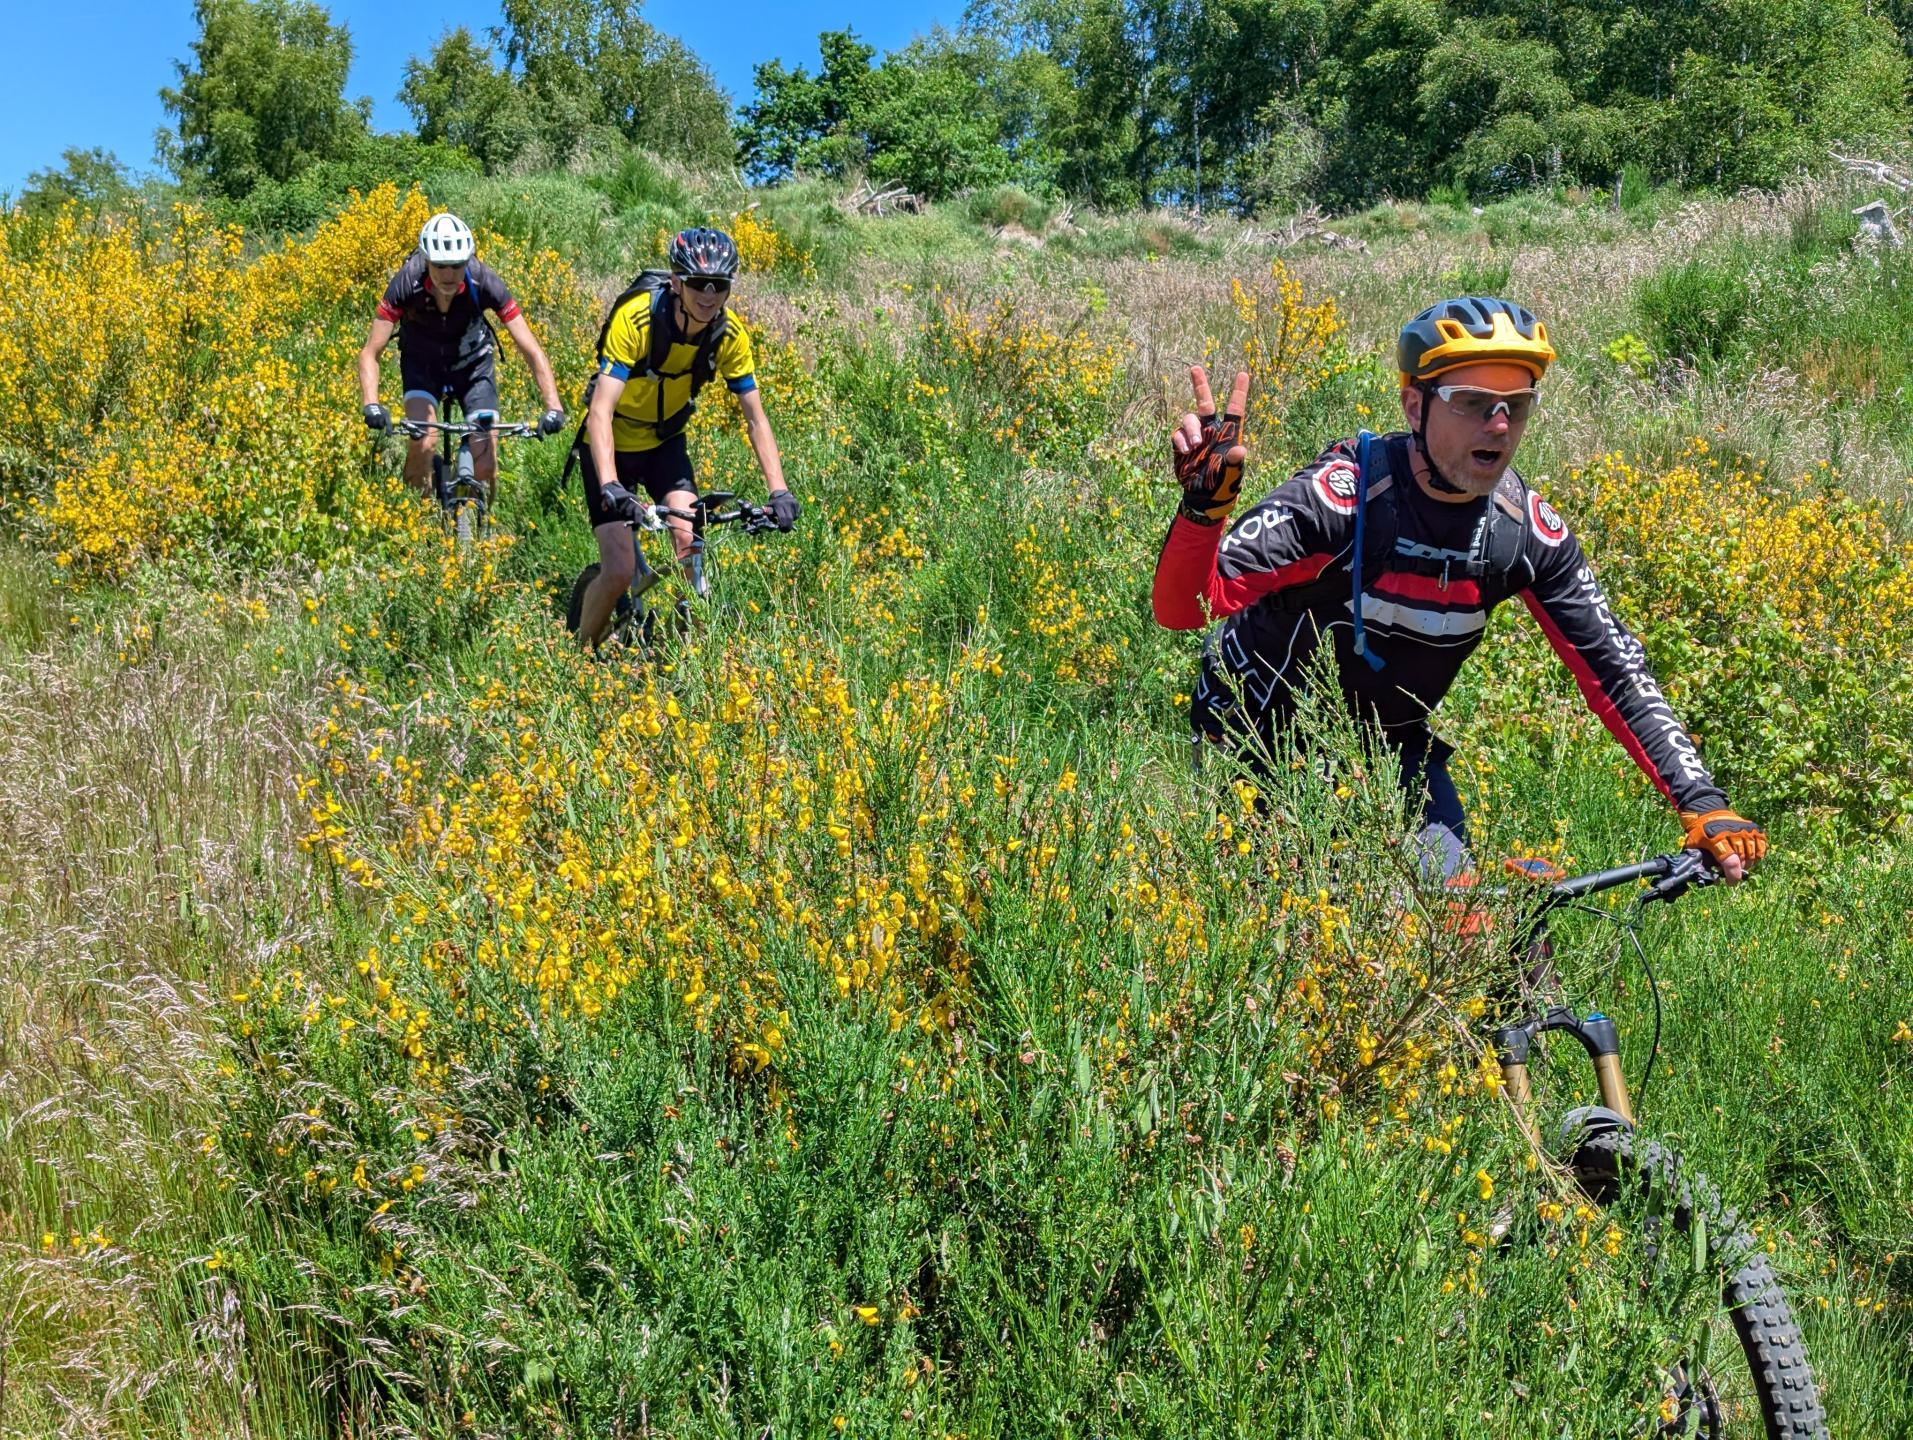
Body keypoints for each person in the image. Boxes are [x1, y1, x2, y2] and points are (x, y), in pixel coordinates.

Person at [1151, 296, 1766, 884]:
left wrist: (1702, 801)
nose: (1498, 426)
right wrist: (1206, 510)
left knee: (1464, 925)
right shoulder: (1344, 498)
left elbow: (1617, 672)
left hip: (1392, 745)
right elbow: (1186, 610)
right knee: (1302, 941)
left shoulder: (1523, 535)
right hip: (1260, 735)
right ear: (1415, 407)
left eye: (1516, 406)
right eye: (1472, 402)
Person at [571, 227, 800, 647]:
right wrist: (610, 484)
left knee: (690, 547)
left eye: (720, 285)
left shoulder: (728, 335)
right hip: (609, 445)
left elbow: (755, 419)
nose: (708, 294)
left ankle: (690, 662)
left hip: (665, 445)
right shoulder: (638, 318)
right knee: (620, 569)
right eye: (698, 284)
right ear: (676, 283)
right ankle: (577, 657)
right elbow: (600, 411)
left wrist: (779, 491)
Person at [357, 211, 567, 500]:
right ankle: (416, 521)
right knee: (423, 441)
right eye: (440, 265)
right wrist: (372, 404)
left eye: (457, 265)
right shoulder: (406, 282)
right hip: (422, 363)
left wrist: (553, 406)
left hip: (473, 365)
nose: (448, 274)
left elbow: (531, 349)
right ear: (427, 260)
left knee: (486, 463)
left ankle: (481, 535)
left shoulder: (484, 281)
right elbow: (371, 352)